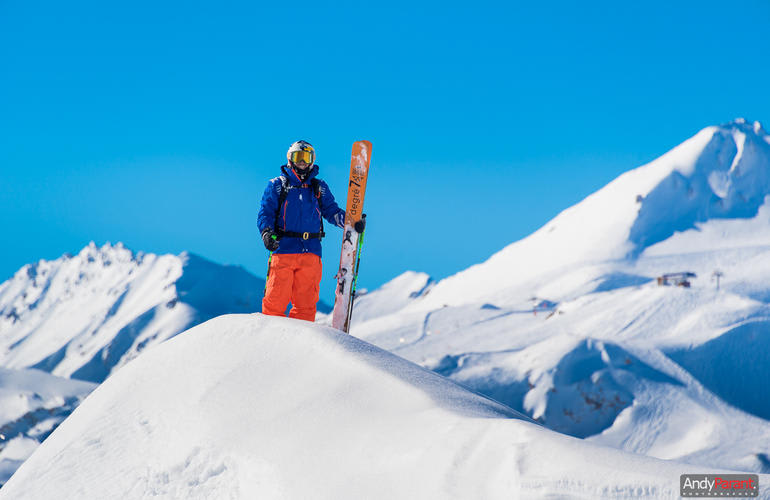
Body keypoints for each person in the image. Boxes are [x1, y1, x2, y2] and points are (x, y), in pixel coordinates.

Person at [257, 140, 362, 321]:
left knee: (306, 304)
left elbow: (332, 211)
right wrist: (267, 233)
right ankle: (271, 342)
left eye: (307, 158)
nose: (303, 162)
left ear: (312, 160)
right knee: (275, 302)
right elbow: (266, 213)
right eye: (299, 157)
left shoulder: (318, 187)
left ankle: (300, 345)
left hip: (311, 253)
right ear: (290, 159)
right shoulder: (277, 185)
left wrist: (352, 223)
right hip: (283, 250)